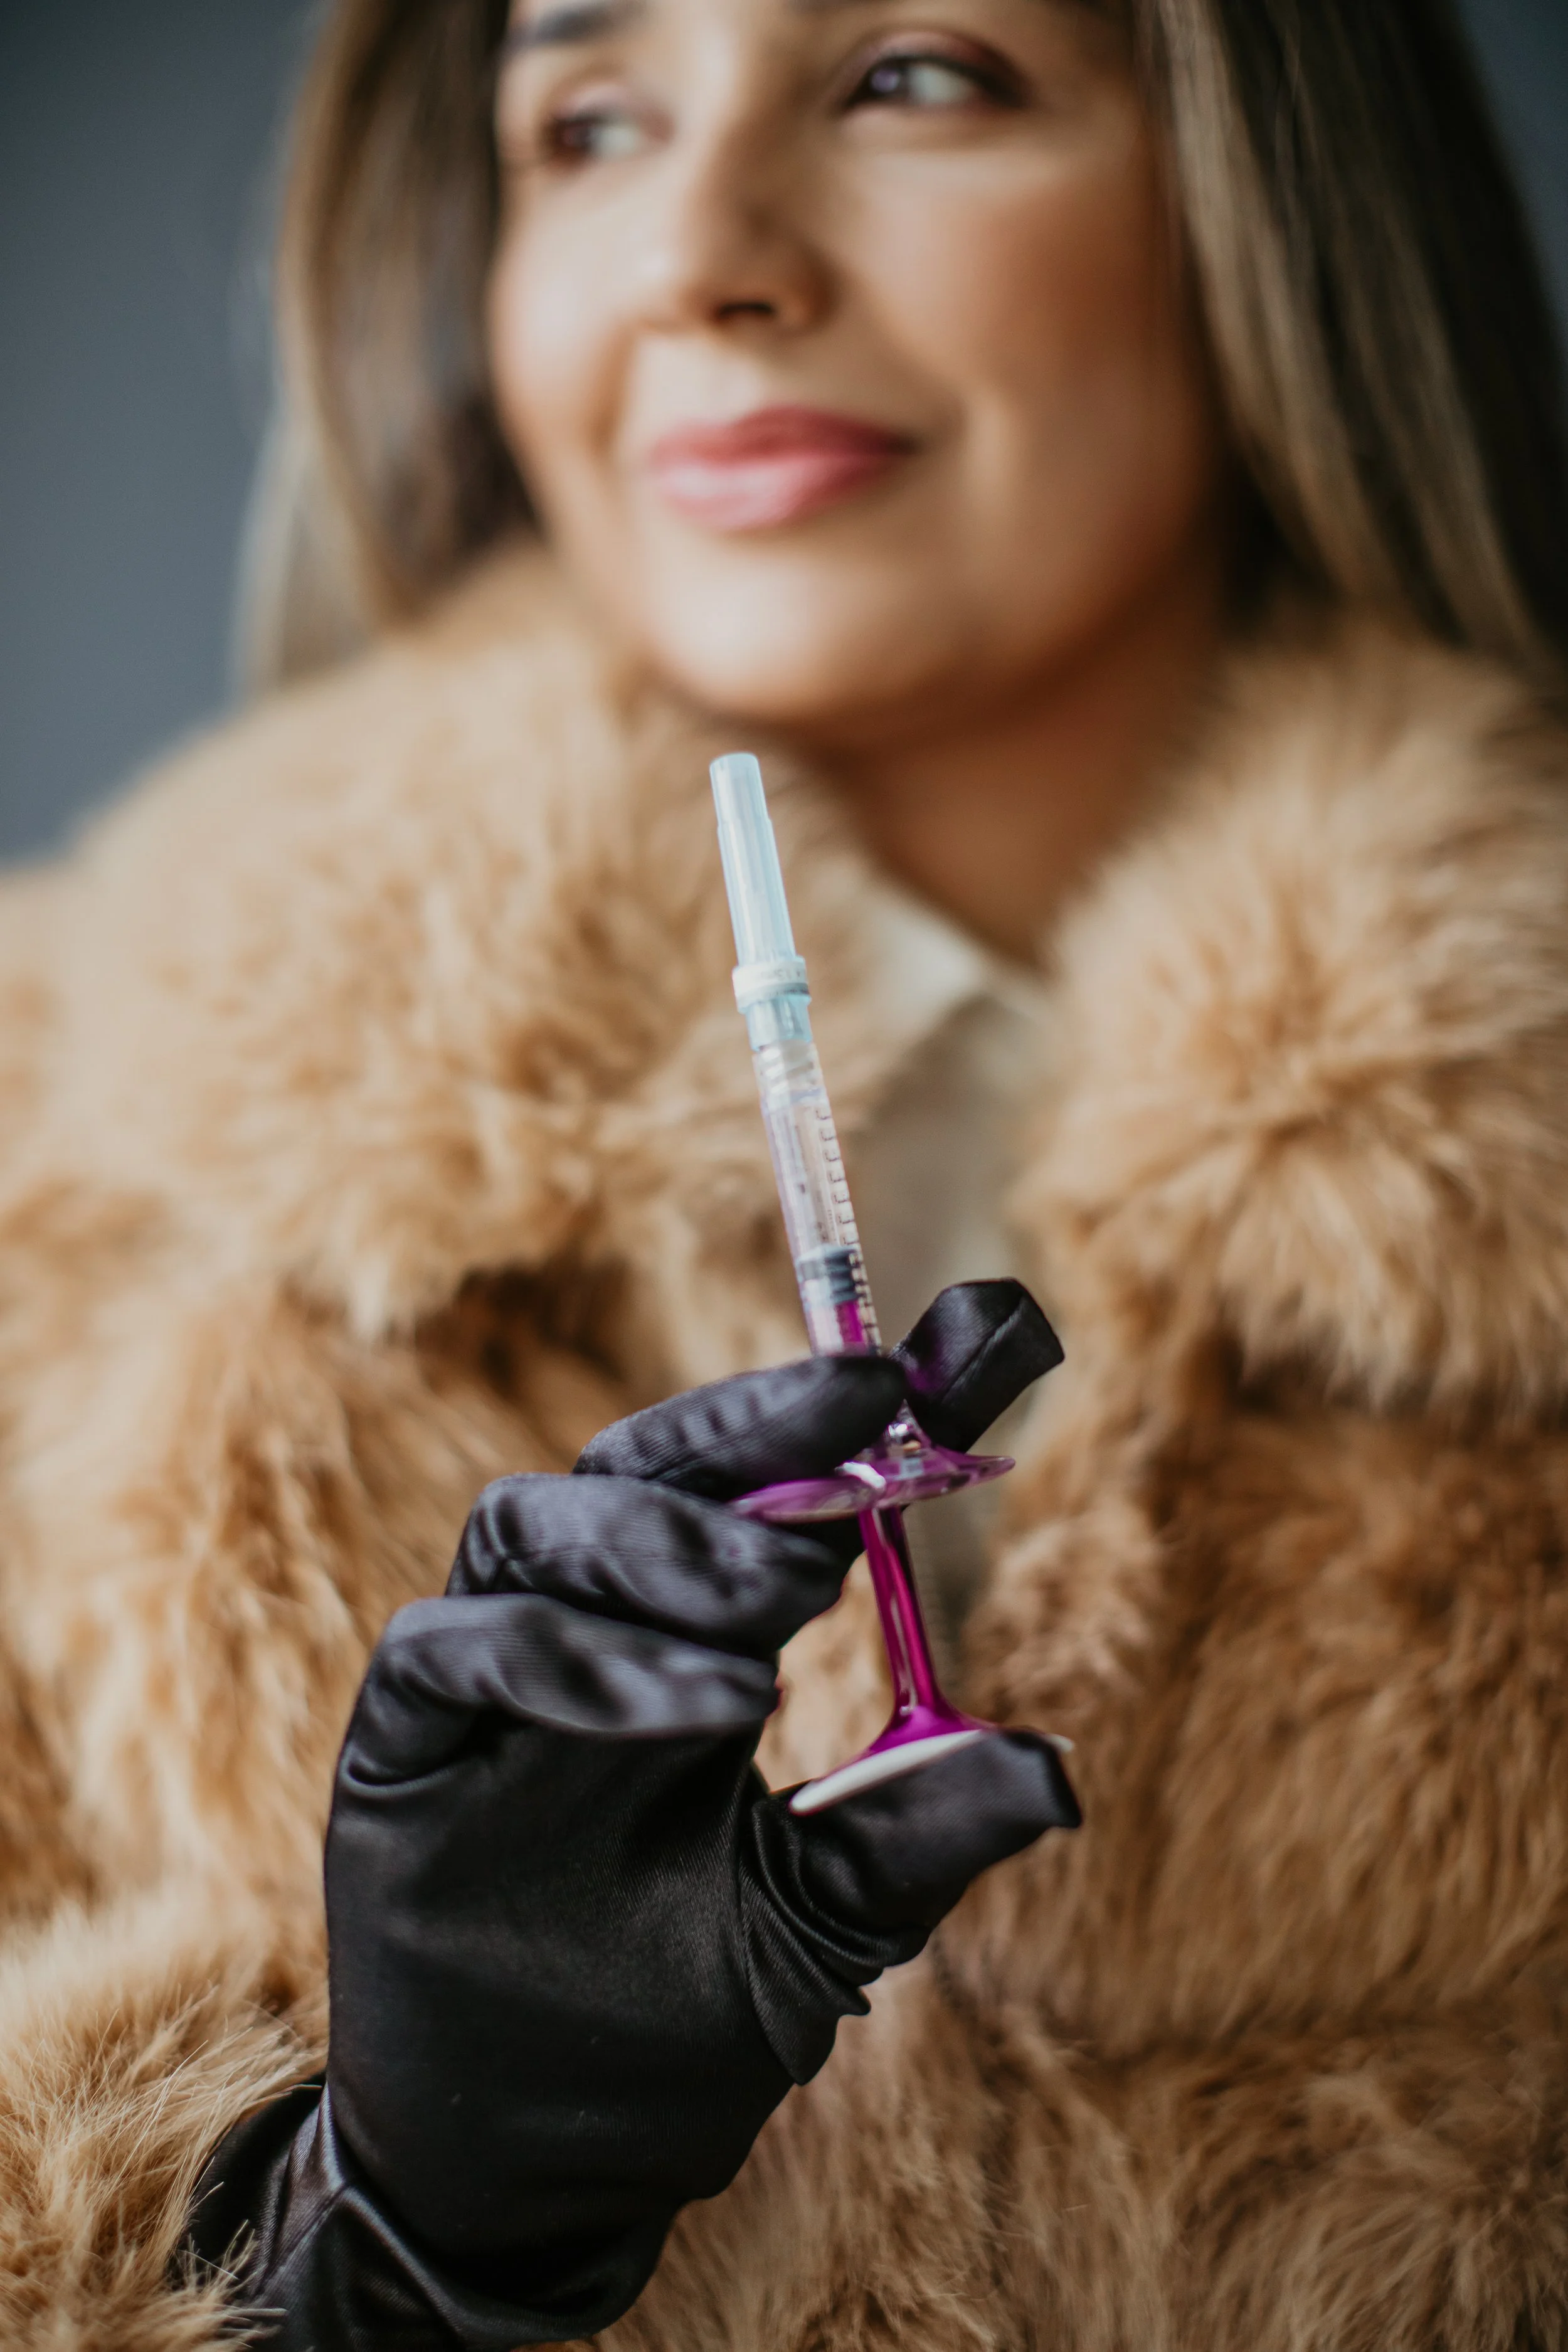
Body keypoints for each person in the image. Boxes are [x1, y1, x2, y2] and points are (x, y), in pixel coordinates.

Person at [1, 0, 1567, 2341]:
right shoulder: (54, 1145)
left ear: (1274, 212)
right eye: (589, 120)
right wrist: (393, 2250)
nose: (698, 257)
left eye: (914, 72)